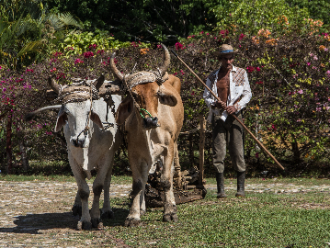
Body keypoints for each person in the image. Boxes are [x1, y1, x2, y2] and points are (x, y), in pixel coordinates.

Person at [203, 44, 252, 198]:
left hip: (236, 116)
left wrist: (236, 106)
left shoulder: (241, 73)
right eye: (225, 58)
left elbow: (248, 94)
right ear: (220, 59)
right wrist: (215, 103)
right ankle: (221, 191)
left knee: (237, 151)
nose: (228, 61)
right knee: (219, 152)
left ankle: (240, 189)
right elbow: (206, 96)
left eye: (230, 58)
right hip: (219, 117)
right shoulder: (212, 77)